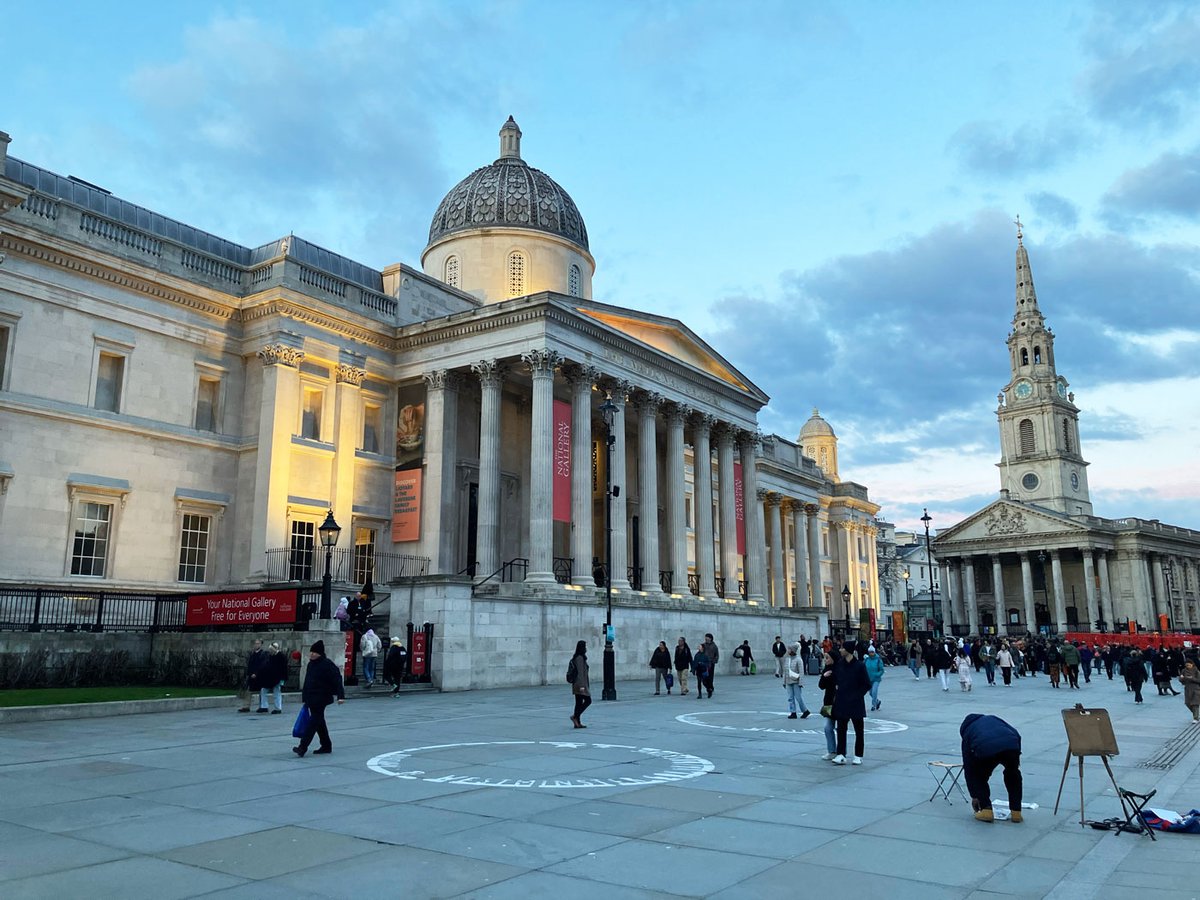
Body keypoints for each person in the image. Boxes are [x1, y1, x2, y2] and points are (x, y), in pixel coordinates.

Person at [961, 713, 1023, 823]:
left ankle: (986, 810)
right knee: (1013, 773)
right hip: (1012, 743)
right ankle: (1016, 812)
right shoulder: (992, 719)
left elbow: (969, 767)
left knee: (978, 776)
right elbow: (1015, 733)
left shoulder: (968, 732)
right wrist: (1015, 760)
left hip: (985, 746)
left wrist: (975, 796)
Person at [293, 640, 345, 757]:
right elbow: (307, 682)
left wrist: (340, 696)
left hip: (322, 697)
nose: (311, 654)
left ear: (320, 653)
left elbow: (337, 679)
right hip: (311, 697)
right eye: (311, 652)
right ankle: (326, 745)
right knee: (319, 722)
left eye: (314, 652)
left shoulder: (327, 664)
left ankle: (303, 746)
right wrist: (305, 697)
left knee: (313, 722)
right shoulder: (311, 664)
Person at [831, 641, 870, 765]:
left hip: (855, 702)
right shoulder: (839, 664)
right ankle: (841, 754)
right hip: (842, 701)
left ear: (848, 650)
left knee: (859, 730)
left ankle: (858, 755)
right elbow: (835, 679)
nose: (840, 650)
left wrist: (856, 696)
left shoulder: (859, 665)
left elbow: (866, 684)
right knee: (841, 729)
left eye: (842, 648)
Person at [818, 651, 838, 760]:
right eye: (825, 658)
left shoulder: (839, 669)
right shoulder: (826, 670)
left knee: (840, 728)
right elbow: (821, 686)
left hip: (839, 702)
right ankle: (831, 750)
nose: (825, 660)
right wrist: (824, 676)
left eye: (827, 658)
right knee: (827, 727)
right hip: (828, 703)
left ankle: (840, 751)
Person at [782, 642, 810, 719]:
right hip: (788, 681)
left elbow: (801, 672)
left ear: (793, 650)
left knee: (798, 697)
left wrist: (801, 682)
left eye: (789, 649)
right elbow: (785, 671)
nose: (788, 650)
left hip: (796, 681)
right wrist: (784, 682)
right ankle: (793, 712)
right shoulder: (787, 659)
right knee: (790, 698)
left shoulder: (798, 659)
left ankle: (805, 711)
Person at [258, 642, 287, 714]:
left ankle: (278, 708)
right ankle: (264, 706)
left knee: (276, 692)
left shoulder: (281, 656)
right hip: (270, 677)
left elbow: (283, 669)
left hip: (277, 678)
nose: (270, 651)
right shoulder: (271, 656)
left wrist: (282, 679)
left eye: (271, 649)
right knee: (264, 690)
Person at [239, 639, 268, 713]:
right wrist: (250, 673)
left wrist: (256, 673)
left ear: (261, 644)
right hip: (251, 676)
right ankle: (246, 706)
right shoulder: (252, 654)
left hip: (259, 676)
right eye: (255, 643)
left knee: (261, 692)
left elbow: (262, 665)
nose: (256, 645)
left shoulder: (263, 654)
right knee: (248, 691)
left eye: (258, 643)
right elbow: (250, 665)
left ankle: (262, 706)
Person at [568, 640, 591, 728]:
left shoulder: (578, 657)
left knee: (578, 703)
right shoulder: (580, 658)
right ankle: (575, 716)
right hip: (580, 684)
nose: (586, 648)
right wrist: (582, 687)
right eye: (585, 647)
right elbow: (581, 674)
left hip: (577, 684)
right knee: (588, 701)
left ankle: (577, 722)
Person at [864, 644, 884, 711]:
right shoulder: (866, 660)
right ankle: (877, 701)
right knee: (871, 693)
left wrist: (877, 674)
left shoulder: (878, 660)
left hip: (876, 679)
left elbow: (881, 670)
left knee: (874, 691)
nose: (871, 653)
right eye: (870, 652)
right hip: (868, 679)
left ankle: (873, 705)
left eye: (872, 652)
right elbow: (862, 668)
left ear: (874, 652)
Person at [1180, 658, 1200, 723]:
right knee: (1187, 703)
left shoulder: (1197, 671)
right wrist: (1181, 678)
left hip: (1195, 689)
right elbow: (1181, 679)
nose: (1188, 667)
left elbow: (1199, 680)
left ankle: (1196, 718)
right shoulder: (1183, 671)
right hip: (1187, 689)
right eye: (1187, 665)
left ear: (1192, 665)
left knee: (1195, 704)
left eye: (1189, 665)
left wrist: (1192, 678)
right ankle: (1196, 714)